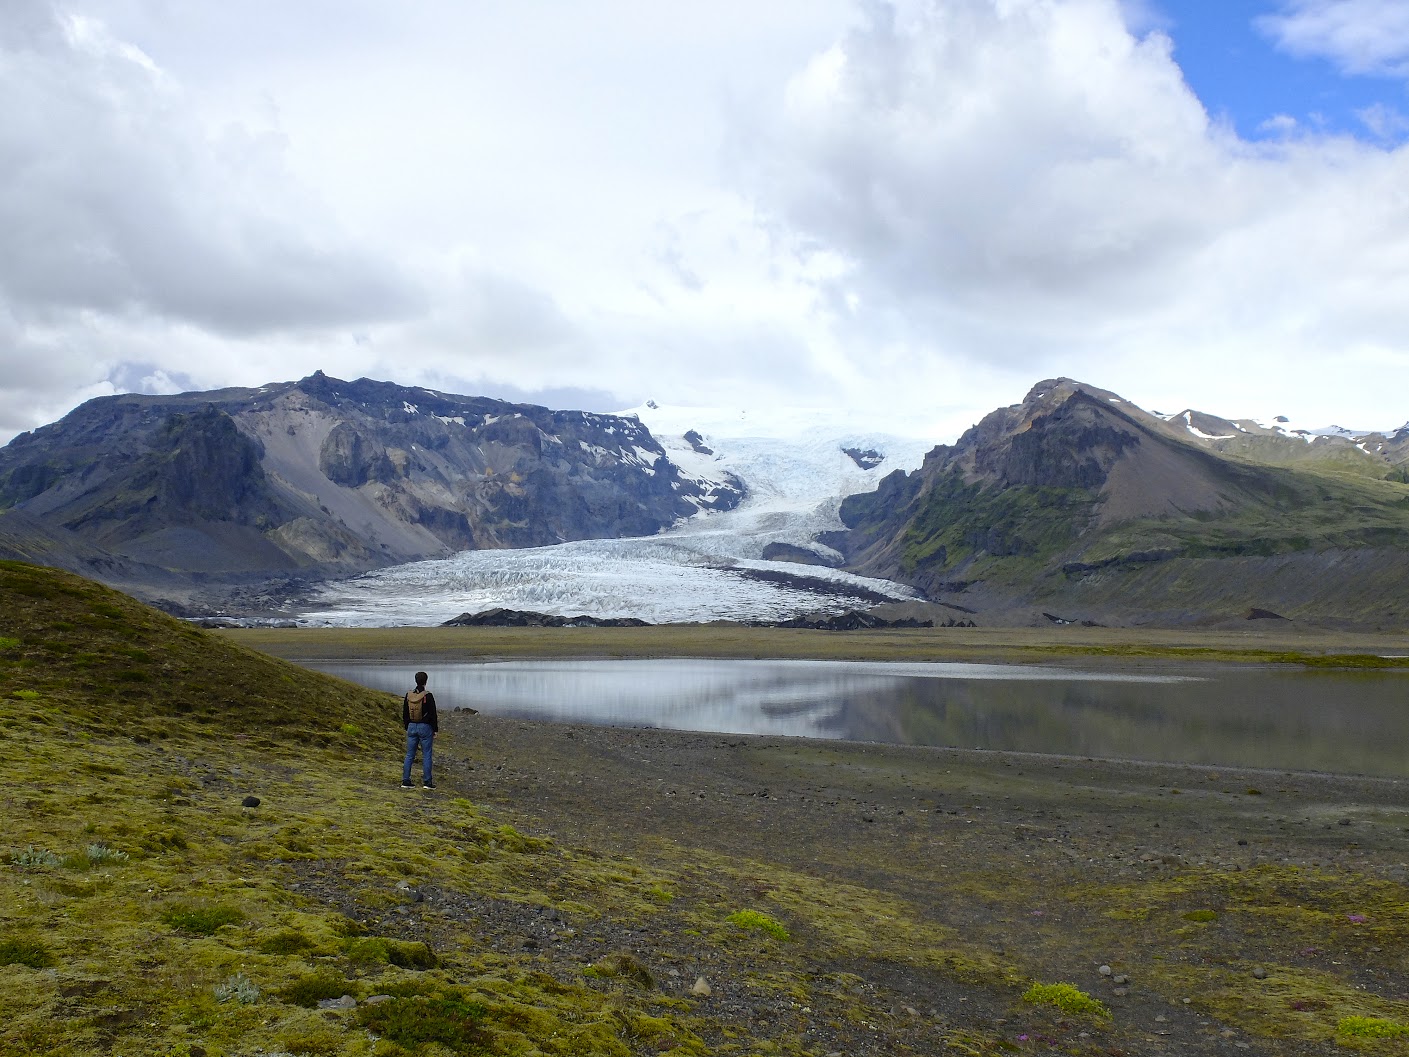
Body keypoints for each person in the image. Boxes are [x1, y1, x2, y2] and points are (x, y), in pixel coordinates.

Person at [401, 671, 438, 789]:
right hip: (425, 727)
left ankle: (405, 780)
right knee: (427, 754)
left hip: (411, 726)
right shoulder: (428, 695)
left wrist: (407, 726)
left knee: (409, 754)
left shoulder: (409, 695)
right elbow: (433, 714)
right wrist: (435, 729)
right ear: (425, 681)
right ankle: (427, 782)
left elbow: (405, 713)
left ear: (415, 680)